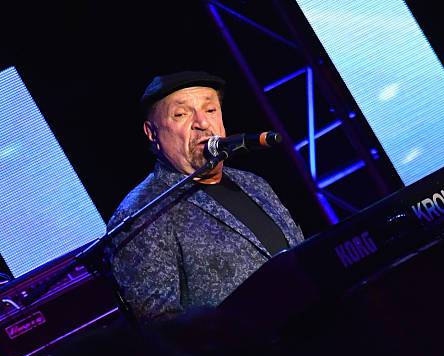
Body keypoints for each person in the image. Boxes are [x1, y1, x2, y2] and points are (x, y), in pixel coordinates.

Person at [107, 70, 304, 324]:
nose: (202, 122)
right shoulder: (139, 213)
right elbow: (163, 326)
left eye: (210, 110)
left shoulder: (253, 183)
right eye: (181, 114)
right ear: (152, 132)